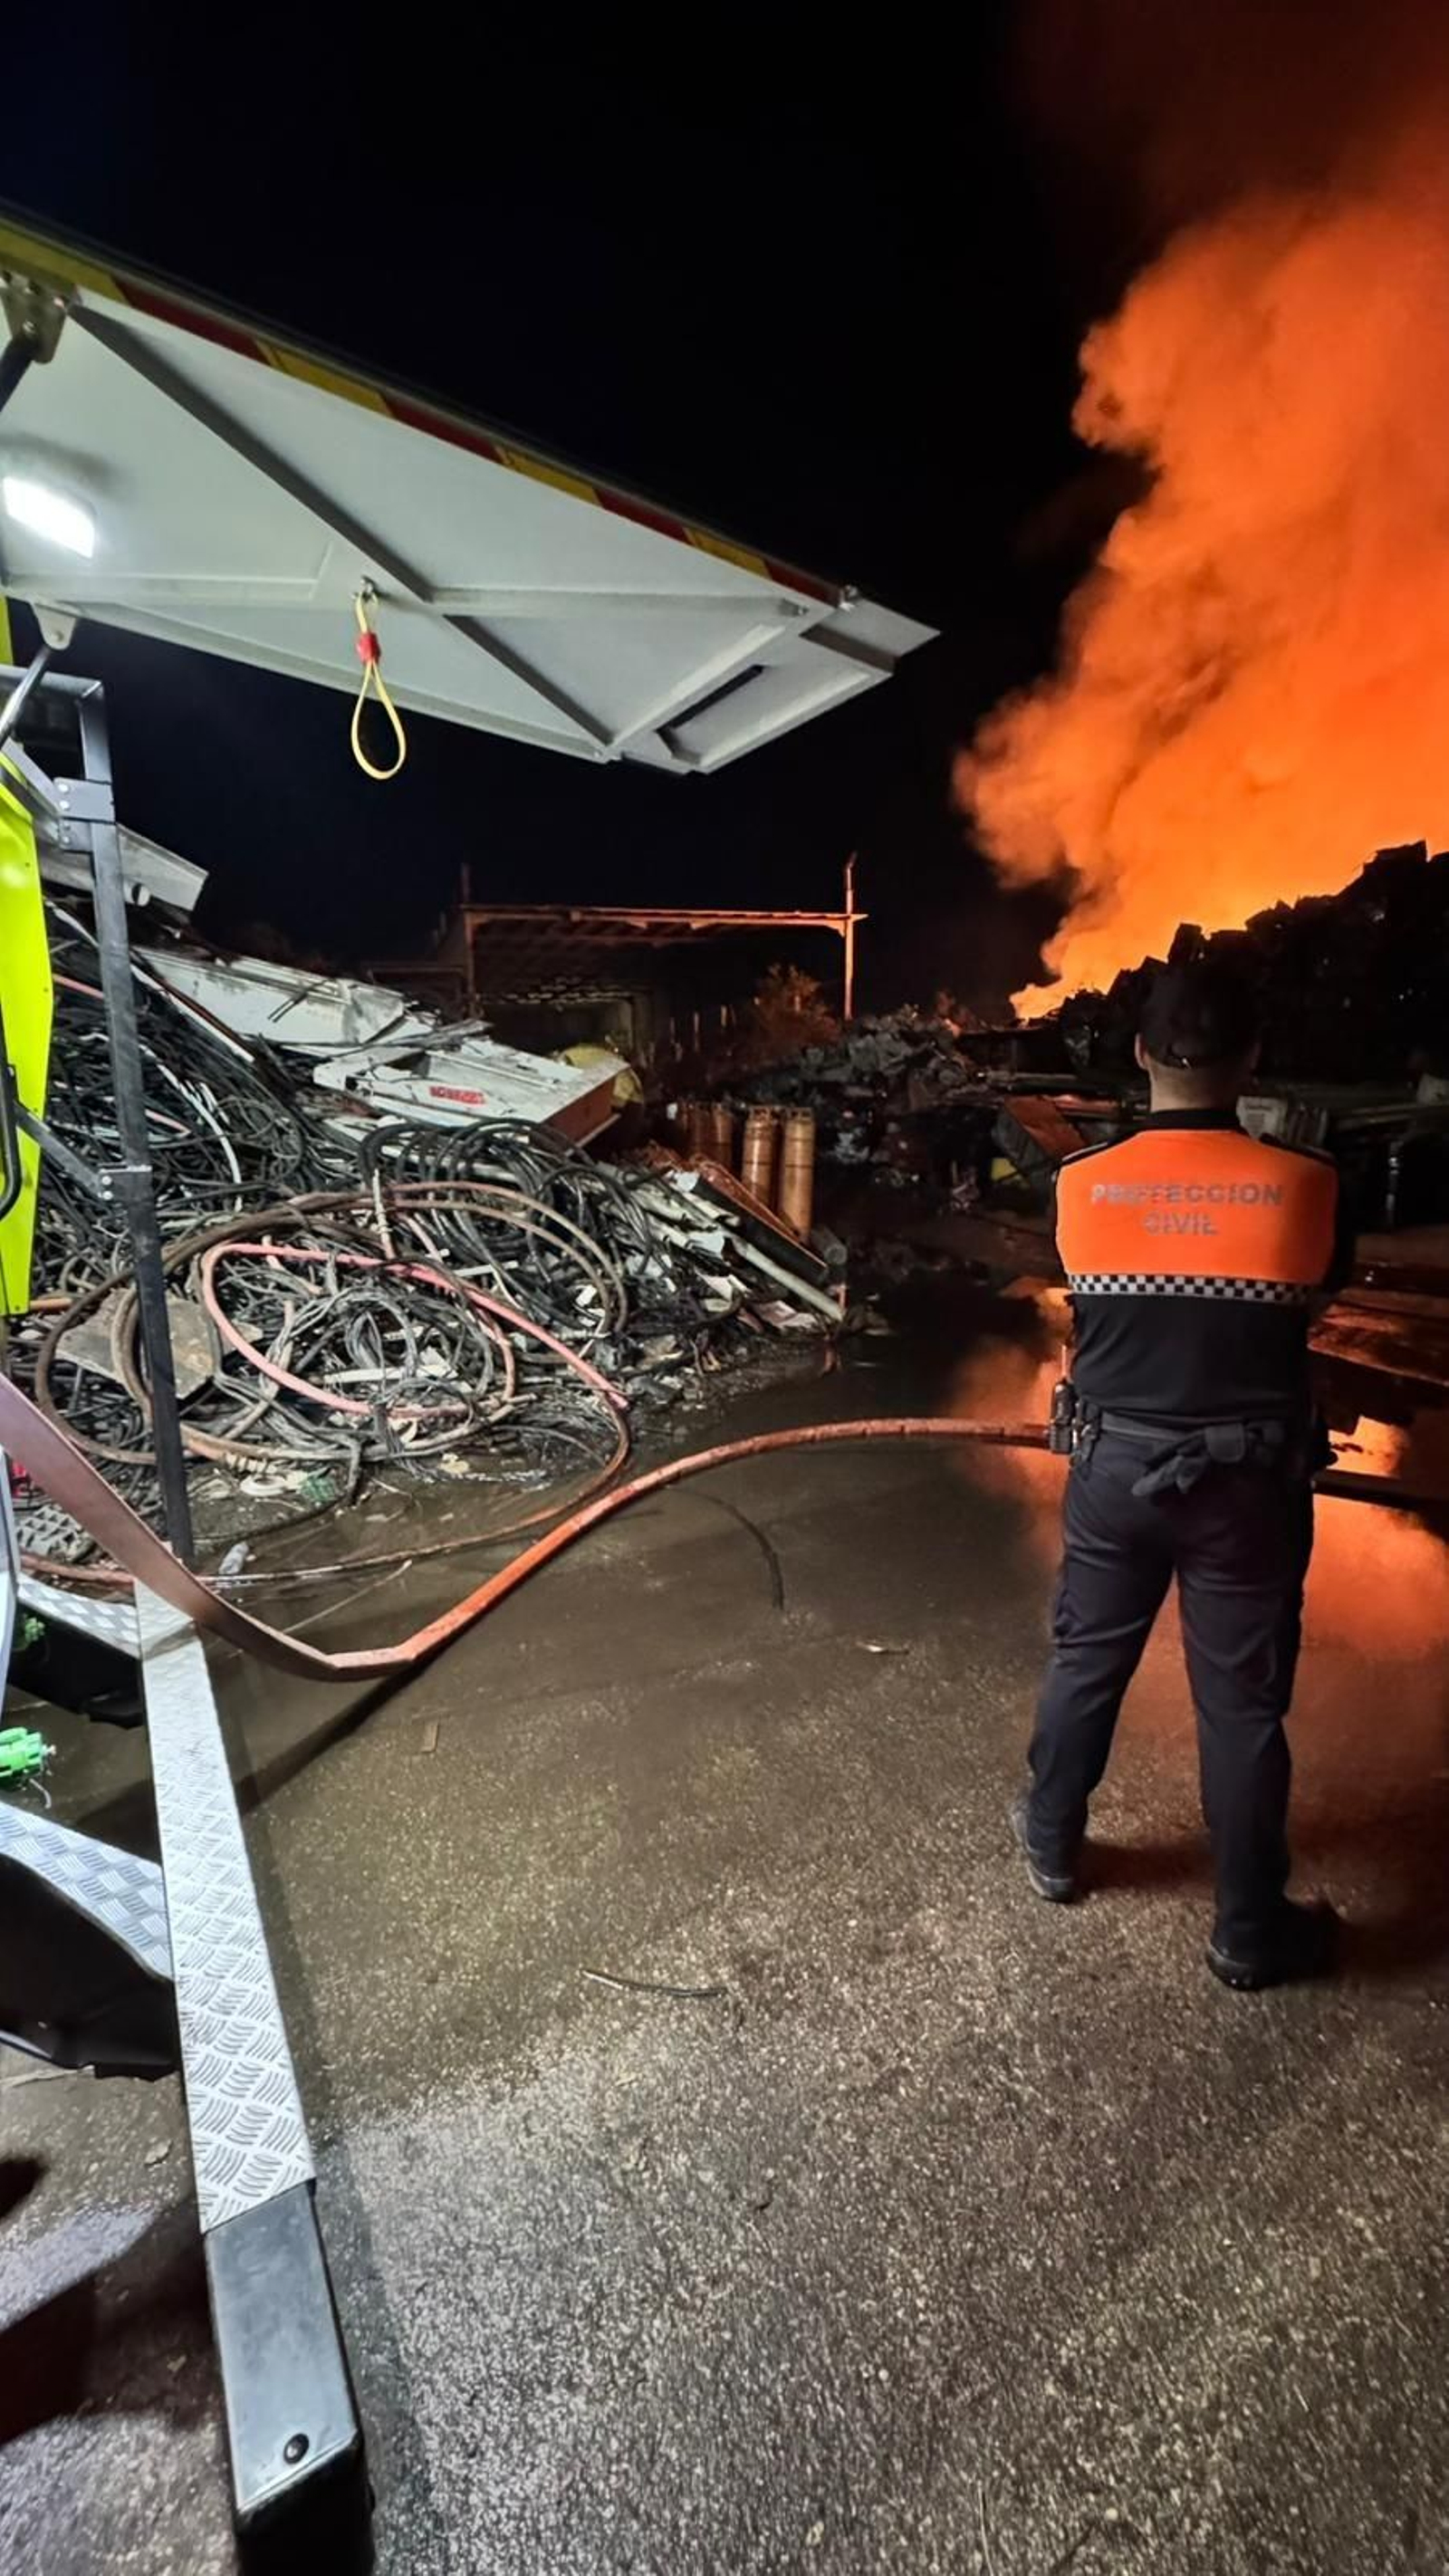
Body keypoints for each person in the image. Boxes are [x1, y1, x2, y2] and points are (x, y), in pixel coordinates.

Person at [1011, 956, 1354, 1990]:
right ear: (1251, 1057)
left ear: (1140, 1054)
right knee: (1240, 1707)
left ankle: (1053, 1846)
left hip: (1114, 1468)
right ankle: (1248, 1931)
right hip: (1248, 1484)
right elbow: (1316, 1296)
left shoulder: (1079, 1184)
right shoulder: (1311, 1185)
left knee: (1086, 1661)